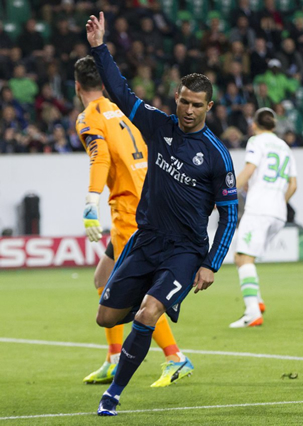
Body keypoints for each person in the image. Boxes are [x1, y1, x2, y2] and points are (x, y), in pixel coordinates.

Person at [86, 12, 238, 416]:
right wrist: (100, 47)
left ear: (210, 106)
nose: (189, 110)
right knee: (105, 316)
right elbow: (120, 91)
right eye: (184, 102)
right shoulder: (158, 126)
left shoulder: (218, 157)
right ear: (177, 98)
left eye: (197, 105)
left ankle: (113, 395)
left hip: (185, 252)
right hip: (146, 240)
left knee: (148, 312)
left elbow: (229, 216)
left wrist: (211, 265)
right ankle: (145, 298)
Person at [75, 56, 195, 388]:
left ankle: (176, 358)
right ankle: (114, 358)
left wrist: (90, 201)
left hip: (131, 213)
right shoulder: (120, 112)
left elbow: (99, 156)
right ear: (102, 84)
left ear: (76, 87)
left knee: (140, 294)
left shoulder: (90, 117)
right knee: (102, 277)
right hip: (145, 201)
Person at [229, 108, 297, 328]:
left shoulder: (256, 142)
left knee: (243, 257)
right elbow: (293, 185)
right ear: (274, 126)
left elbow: (249, 170)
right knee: (244, 258)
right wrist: (278, 201)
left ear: (254, 125)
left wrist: (224, 195)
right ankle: (257, 301)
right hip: (278, 212)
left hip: (259, 208)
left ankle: (252, 312)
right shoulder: (285, 147)